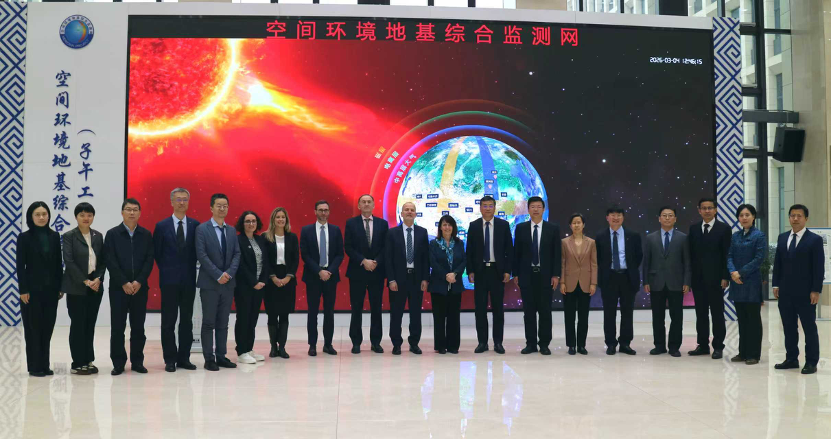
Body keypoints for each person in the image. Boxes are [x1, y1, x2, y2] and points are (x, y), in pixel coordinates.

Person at [773, 204, 825, 375]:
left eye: (799, 216)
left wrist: (816, 290)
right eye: (792, 215)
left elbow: (818, 267)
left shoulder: (814, 240)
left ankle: (811, 362)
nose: (795, 219)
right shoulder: (782, 238)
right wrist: (776, 284)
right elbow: (778, 263)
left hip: (806, 292)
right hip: (785, 292)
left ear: (806, 218)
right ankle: (791, 359)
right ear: (789, 218)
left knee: (809, 328)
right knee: (788, 327)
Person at [105, 198, 154, 375]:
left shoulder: (146, 235)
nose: (131, 212)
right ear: (122, 212)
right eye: (128, 209)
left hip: (140, 288)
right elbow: (110, 260)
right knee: (118, 327)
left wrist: (139, 281)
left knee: (138, 327)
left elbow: (149, 260)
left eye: (135, 209)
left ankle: (137, 362)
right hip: (119, 288)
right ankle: (118, 363)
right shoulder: (112, 234)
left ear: (140, 213)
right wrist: (124, 282)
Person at [154, 187, 200, 373]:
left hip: (189, 281)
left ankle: (184, 358)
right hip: (169, 281)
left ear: (188, 202)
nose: (182, 202)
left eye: (185, 199)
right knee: (168, 322)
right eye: (178, 199)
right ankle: (170, 359)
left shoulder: (196, 225)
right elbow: (157, 254)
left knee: (187, 321)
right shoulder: (162, 226)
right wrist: (168, 271)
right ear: (172, 202)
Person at [16, 202, 63, 377]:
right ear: (31, 217)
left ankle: (45, 364)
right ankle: (35, 366)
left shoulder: (54, 236)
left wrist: (60, 287)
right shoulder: (24, 237)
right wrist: (23, 290)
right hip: (31, 292)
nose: (42, 217)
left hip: (51, 291)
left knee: (47, 327)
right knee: (33, 328)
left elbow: (58, 264)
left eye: (44, 214)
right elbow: (20, 266)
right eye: (37, 214)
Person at [195, 193, 241, 371]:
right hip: (210, 284)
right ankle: (209, 359)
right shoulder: (202, 229)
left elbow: (237, 254)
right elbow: (202, 255)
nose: (222, 209)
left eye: (225, 206)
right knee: (208, 322)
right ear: (211, 208)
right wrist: (218, 274)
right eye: (219, 205)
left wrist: (228, 274)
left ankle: (221, 356)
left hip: (228, 284)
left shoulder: (231, 230)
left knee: (223, 323)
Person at [62, 202, 107, 375]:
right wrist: (86, 281)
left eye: (89, 215)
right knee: (78, 324)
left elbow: (102, 261)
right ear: (76, 217)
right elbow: (69, 262)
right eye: (82, 215)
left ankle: (88, 359)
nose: (86, 218)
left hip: (95, 287)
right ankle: (77, 362)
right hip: (76, 287)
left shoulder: (98, 236)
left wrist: (98, 278)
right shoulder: (69, 236)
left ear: (93, 217)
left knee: (90, 324)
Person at [513, 197, 561, 356]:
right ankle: (531, 344)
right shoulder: (520, 228)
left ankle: (544, 344)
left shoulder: (552, 228)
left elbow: (557, 253)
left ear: (543, 209)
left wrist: (556, 275)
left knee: (545, 311)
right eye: (532, 206)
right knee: (529, 312)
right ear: (528, 209)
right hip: (526, 276)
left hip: (546, 276)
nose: (535, 209)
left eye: (539, 206)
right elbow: (516, 253)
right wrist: (516, 273)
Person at [465, 195, 513, 355]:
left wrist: (507, 271)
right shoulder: (473, 226)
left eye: (490, 205)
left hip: (497, 272)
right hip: (480, 272)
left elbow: (509, 251)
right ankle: (482, 342)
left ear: (495, 207)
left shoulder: (503, 225)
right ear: (480, 208)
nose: (487, 208)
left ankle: (498, 343)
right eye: (484, 206)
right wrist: (470, 271)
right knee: (480, 309)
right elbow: (469, 251)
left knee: (498, 309)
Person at [643, 206, 691, 358]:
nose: (667, 218)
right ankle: (659, 346)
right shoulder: (650, 238)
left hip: (676, 282)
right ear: (659, 218)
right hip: (656, 282)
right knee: (657, 317)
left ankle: (674, 346)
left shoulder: (683, 238)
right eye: (664, 215)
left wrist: (687, 281)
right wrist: (645, 281)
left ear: (675, 219)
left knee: (676, 317)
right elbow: (646, 262)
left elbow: (687, 262)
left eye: (670, 215)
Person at [687, 197, 732, 359]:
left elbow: (727, 254)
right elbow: (690, 255)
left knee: (717, 314)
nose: (707, 211)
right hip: (698, 280)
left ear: (715, 210)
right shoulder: (693, 229)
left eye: (710, 208)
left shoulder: (724, 229)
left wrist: (725, 276)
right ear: (699, 210)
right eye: (704, 208)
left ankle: (718, 346)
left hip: (717, 280)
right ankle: (703, 345)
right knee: (701, 314)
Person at [595, 206, 643, 356]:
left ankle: (625, 343)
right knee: (609, 313)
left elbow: (638, 256)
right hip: (609, 278)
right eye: (612, 215)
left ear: (623, 218)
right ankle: (610, 343)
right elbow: (598, 258)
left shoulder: (633, 235)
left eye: (619, 215)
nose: (615, 218)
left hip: (627, 277)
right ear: (607, 218)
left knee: (627, 312)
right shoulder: (600, 236)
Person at [345, 195, 389, 354]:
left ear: (374, 205)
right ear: (358, 205)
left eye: (369, 202)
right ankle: (356, 342)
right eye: (363, 202)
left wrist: (375, 262)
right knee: (356, 308)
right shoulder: (351, 223)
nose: (366, 204)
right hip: (357, 272)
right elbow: (348, 247)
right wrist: (363, 261)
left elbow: (386, 247)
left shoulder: (383, 224)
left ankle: (376, 342)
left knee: (376, 308)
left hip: (377, 272)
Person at [300, 200, 344, 357]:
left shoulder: (335, 230)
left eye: (326, 210)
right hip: (313, 276)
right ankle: (312, 345)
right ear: (315, 212)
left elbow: (340, 254)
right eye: (320, 210)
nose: (323, 213)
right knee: (312, 312)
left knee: (329, 312)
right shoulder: (306, 230)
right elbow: (305, 254)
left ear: (329, 212)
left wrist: (329, 271)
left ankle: (328, 344)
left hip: (330, 277)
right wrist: (319, 271)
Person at [385, 202, 430, 355]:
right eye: (406, 210)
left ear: (415, 214)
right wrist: (391, 280)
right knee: (396, 313)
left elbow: (425, 258)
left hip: (416, 279)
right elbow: (388, 258)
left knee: (416, 314)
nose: (409, 212)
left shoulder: (422, 232)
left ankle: (414, 343)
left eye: (412, 210)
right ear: (402, 213)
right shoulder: (392, 233)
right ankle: (396, 344)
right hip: (398, 280)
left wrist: (425, 278)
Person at [727, 204, 766, 366]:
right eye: (741, 215)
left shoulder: (759, 235)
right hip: (737, 282)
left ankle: (753, 354)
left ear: (753, 217)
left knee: (753, 320)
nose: (744, 218)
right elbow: (729, 256)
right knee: (742, 319)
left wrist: (740, 273)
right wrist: (732, 272)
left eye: (747, 215)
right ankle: (743, 352)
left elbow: (759, 259)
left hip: (751, 282)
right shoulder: (735, 236)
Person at [234, 211, 270, 365]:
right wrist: (253, 282)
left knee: (253, 318)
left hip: (259, 286)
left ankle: (249, 349)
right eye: (247, 221)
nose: (251, 224)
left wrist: (262, 281)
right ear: (242, 223)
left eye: (253, 221)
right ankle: (241, 351)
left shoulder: (260, 239)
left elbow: (266, 262)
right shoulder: (238, 240)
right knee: (243, 318)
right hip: (244, 286)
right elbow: (240, 265)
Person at [263, 207, 299, 359]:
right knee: (272, 315)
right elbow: (264, 260)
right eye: (278, 217)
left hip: (288, 279)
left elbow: (296, 260)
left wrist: (288, 277)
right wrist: (273, 277)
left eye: (283, 217)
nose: (280, 219)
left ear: (286, 220)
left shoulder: (292, 237)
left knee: (284, 315)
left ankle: (282, 347)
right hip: (271, 279)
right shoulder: (265, 237)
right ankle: (273, 347)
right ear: (273, 219)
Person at [560, 213, 597, 356]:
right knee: (569, 316)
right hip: (569, 283)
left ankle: (581, 345)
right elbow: (562, 264)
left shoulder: (591, 242)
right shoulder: (564, 242)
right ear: (570, 225)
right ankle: (571, 345)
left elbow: (594, 264)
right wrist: (562, 281)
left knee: (583, 316)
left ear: (583, 225)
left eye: (579, 222)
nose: (576, 225)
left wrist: (593, 283)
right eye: (574, 223)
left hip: (585, 283)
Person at [429, 215, 466, 354]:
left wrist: (454, 274)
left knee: (454, 317)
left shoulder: (459, 243)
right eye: (444, 225)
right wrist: (446, 275)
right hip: (438, 285)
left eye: (450, 225)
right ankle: (440, 345)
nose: (447, 227)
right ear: (440, 227)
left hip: (455, 284)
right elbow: (433, 262)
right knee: (439, 317)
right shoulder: (434, 243)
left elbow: (464, 261)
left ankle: (453, 345)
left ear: (453, 227)